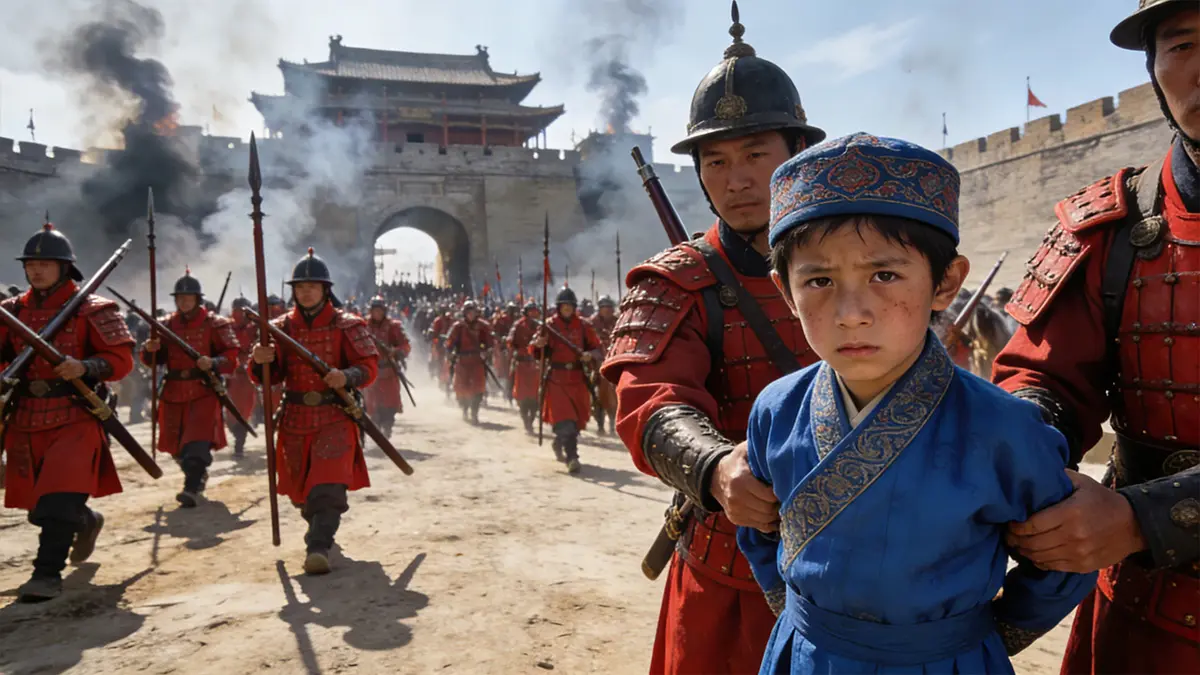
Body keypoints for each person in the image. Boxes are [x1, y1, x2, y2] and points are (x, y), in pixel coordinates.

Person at [738, 132, 1096, 674]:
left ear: (946, 282)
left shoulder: (1005, 427)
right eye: (819, 280)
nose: (851, 313)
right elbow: (758, 527)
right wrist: (806, 623)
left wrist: (973, 637)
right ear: (786, 291)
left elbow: (1066, 559)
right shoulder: (775, 410)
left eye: (884, 275)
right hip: (804, 655)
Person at [599, 3, 822, 672]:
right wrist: (715, 466)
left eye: (755, 154)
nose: (738, 178)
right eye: (717, 160)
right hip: (732, 571)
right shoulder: (674, 281)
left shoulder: (853, 261)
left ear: (796, 154)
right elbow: (652, 401)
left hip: (862, 562)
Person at [993, 2, 1200, 671]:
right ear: (1153, 69)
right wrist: (1024, 449)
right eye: (1183, 46)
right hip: (1139, 617)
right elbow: (1044, 375)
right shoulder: (1110, 228)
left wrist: (1144, 518)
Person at [0, 223, 136, 602]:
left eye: (45, 264)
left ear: (64, 267)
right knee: (40, 507)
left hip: (76, 414)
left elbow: (120, 360)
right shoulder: (11, 311)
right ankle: (86, 519)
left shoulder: (94, 309)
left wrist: (85, 366)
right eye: (31, 264)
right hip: (25, 416)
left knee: (59, 499)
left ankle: (46, 574)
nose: (36, 270)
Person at [249, 248, 379, 575]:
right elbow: (269, 377)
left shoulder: (348, 325)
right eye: (300, 287)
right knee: (301, 491)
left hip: (334, 415)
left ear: (325, 289)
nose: (305, 292)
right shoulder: (278, 328)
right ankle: (319, 528)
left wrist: (346, 376)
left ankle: (318, 547)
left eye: (312, 286)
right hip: (294, 417)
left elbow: (368, 367)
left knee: (329, 484)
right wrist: (261, 360)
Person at [141, 269, 239, 508]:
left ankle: (192, 487)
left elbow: (231, 357)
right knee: (176, 444)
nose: (184, 302)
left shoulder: (215, 324)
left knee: (197, 441)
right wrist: (150, 349)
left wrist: (212, 362)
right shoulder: (165, 325)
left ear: (197, 298)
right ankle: (196, 476)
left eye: (188, 297)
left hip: (202, 390)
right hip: (173, 391)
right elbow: (154, 360)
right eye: (180, 298)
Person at [532, 287, 602, 474]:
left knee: (576, 421)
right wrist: (538, 345)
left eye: (570, 305)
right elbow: (535, 350)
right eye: (564, 305)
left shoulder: (584, 326)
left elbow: (598, 349)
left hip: (578, 379)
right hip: (557, 379)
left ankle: (559, 442)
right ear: (559, 307)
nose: (567, 308)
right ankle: (572, 457)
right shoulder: (549, 326)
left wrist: (589, 355)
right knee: (564, 418)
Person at [363, 295, 411, 436]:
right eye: (375, 310)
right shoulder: (363, 326)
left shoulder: (394, 326)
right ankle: (377, 429)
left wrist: (396, 351)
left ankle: (387, 426)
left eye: (380, 310)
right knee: (372, 405)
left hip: (389, 371)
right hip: (371, 371)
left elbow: (405, 345)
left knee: (390, 403)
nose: (377, 313)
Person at [445, 300, 493, 424]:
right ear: (465, 313)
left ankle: (474, 412)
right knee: (461, 387)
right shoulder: (458, 327)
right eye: (469, 312)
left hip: (477, 361)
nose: (471, 314)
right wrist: (450, 352)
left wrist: (487, 351)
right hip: (462, 361)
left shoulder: (483, 326)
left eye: (473, 312)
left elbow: (489, 342)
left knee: (478, 388)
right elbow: (450, 342)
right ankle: (465, 409)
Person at [226, 297, 258, 458]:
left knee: (244, 411)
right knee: (229, 413)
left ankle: (240, 442)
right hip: (230, 375)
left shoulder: (254, 328)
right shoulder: (226, 327)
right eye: (236, 310)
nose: (238, 314)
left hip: (247, 376)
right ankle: (237, 435)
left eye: (241, 310)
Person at [508, 300, 543, 434]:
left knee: (535, 397)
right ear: (526, 313)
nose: (533, 314)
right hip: (522, 365)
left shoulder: (543, 326)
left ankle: (532, 420)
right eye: (531, 311)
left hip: (537, 365)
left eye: (535, 312)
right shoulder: (518, 325)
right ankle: (525, 421)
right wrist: (516, 346)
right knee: (522, 396)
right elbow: (510, 341)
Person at [589, 295, 618, 435]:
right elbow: (589, 342)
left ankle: (613, 422)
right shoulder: (591, 323)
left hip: (614, 360)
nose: (607, 310)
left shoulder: (618, 321)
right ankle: (600, 423)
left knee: (616, 395)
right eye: (604, 308)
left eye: (609, 308)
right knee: (596, 395)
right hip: (596, 363)